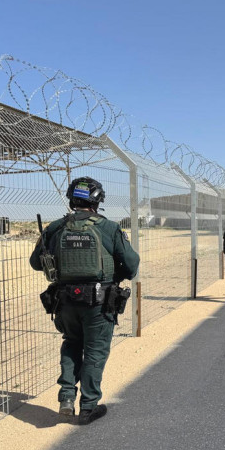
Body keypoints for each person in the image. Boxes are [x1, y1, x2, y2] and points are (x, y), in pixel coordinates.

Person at [30, 177, 140, 425]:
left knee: (71, 343)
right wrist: (116, 276)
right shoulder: (109, 228)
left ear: (72, 199)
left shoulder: (55, 228)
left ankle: (66, 397)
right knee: (94, 351)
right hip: (99, 303)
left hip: (65, 302)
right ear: (98, 200)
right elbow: (132, 265)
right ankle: (89, 406)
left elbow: (36, 263)